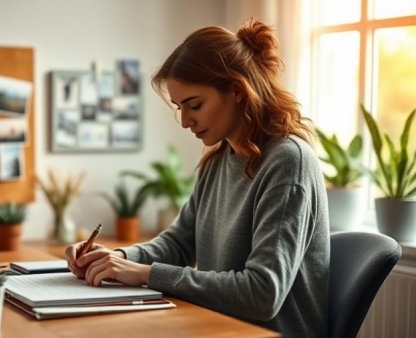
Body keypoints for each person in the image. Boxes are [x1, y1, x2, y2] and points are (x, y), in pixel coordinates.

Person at [65, 18, 329, 338]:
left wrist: (145, 274)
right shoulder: (218, 160)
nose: (185, 121)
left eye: (195, 105)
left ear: (236, 91)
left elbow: (263, 294)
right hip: (219, 327)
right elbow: (178, 244)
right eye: (179, 107)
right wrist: (115, 259)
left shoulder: (289, 163)